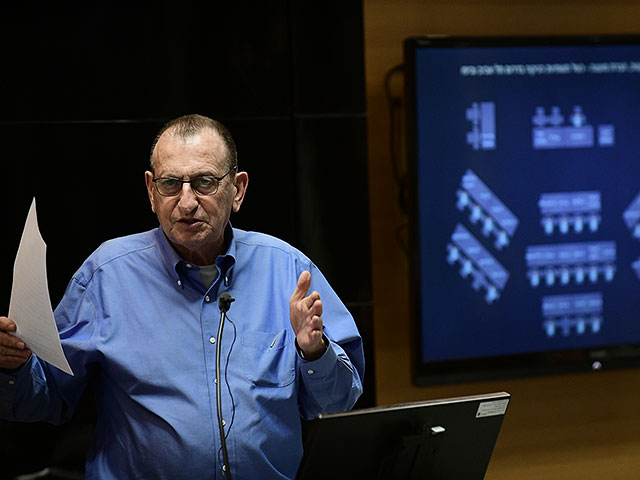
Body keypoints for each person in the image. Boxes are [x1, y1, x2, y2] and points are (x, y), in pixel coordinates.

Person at [0, 114, 364, 479]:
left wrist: (314, 352)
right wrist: (12, 365)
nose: (186, 202)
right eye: (171, 184)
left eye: (204, 182)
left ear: (237, 189)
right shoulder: (105, 277)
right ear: (151, 191)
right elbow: (46, 400)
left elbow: (339, 401)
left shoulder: (287, 270)